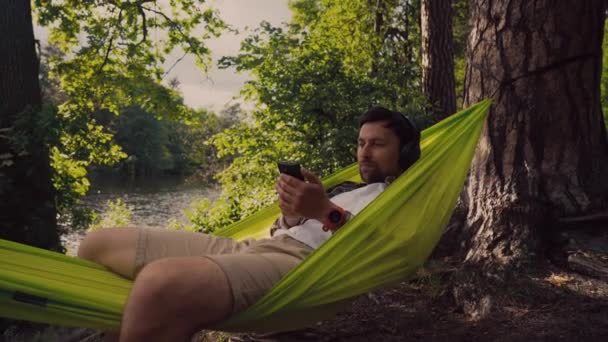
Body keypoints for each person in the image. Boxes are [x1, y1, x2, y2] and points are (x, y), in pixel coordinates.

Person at [77, 106, 421, 341]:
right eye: (361, 143)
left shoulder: (411, 196)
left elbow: (388, 255)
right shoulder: (348, 189)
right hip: (256, 249)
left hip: (302, 268)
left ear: (404, 152)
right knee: (98, 245)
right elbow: (281, 229)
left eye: (377, 144)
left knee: (161, 284)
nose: (363, 152)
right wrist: (293, 211)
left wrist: (323, 211)